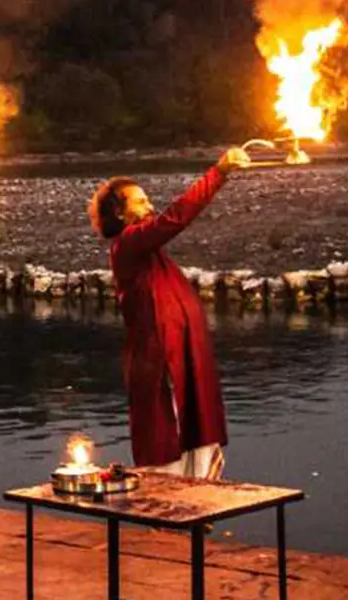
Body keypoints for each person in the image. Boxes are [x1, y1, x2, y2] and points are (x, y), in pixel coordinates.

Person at [86, 148, 250, 479]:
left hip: (180, 355)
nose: (150, 206)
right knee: (168, 439)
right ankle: (168, 519)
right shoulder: (127, 244)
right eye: (141, 201)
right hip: (161, 361)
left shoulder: (146, 251)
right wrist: (218, 173)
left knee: (195, 431)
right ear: (120, 214)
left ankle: (196, 511)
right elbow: (176, 217)